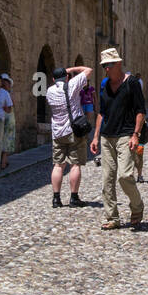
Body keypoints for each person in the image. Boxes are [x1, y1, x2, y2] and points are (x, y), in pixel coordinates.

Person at [90, 48, 145, 230]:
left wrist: (136, 134)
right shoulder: (105, 84)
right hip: (107, 136)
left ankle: (137, 206)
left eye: (109, 64)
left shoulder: (132, 83)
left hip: (126, 135)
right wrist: (96, 137)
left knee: (124, 175)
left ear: (119, 64)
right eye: (104, 65)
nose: (106, 68)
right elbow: (102, 113)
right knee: (107, 179)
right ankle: (112, 217)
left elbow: (140, 111)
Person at [45, 65, 92, 209]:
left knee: (58, 165)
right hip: (73, 131)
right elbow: (88, 70)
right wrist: (71, 69)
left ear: (53, 79)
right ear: (66, 77)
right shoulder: (71, 85)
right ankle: (74, 197)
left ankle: (56, 199)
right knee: (75, 164)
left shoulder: (49, 90)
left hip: (57, 132)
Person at [0, 73, 18, 158]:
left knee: (6, 138)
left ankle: (3, 159)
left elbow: (12, 105)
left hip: (8, 117)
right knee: (2, 138)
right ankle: (3, 160)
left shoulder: (8, 93)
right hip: (4, 117)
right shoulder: (1, 93)